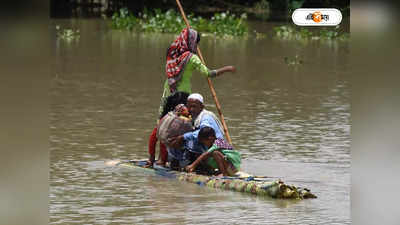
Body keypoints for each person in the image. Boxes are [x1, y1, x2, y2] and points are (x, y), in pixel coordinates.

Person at [147, 27, 236, 166]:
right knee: (178, 129)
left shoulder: (172, 52)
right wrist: (227, 69)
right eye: (196, 43)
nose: (196, 46)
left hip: (167, 94)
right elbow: (209, 73)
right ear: (192, 42)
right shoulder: (192, 58)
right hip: (182, 97)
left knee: (162, 127)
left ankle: (157, 159)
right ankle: (168, 159)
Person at [169, 93, 225, 169]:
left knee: (183, 139)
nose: (191, 109)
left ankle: (197, 165)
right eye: (189, 106)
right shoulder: (194, 116)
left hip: (215, 146)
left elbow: (202, 132)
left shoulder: (206, 117)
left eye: (194, 107)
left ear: (202, 107)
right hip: (210, 145)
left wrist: (182, 137)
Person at [146, 91, 189, 167]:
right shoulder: (169, 120)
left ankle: (164, 160)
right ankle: (163, 160)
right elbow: (157, 138)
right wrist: (152, 158)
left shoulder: (189, 119)